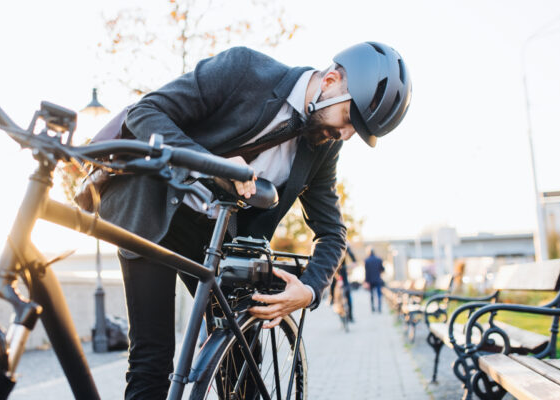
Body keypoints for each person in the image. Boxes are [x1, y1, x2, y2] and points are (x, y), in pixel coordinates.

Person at [97, 43, 412, 398]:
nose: (346, 135)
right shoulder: (244, 70)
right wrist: (211, 165)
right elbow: (145, 113)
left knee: (243, 364)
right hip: (154, 211)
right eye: (349, 119)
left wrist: (308, 291)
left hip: (222, 239)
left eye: (358, 131)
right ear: (331, 80)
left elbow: (332, 231)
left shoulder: (325, 146)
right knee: (151, 359)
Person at [330, 245, 356, 322]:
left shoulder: (338, 243)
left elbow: (353, 258)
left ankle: (332, 300)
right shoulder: (344, 243)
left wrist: (353, 264)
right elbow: (353, 258)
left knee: (344, 289)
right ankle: (332, 299)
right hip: (337, 270)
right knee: (337, 285)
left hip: (338, 269)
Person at [364, 246, 385, 313]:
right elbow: (382, 269)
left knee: (372, 294)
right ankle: (379, 308)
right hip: (378, 279)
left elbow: (366, 272)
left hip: (370, 280)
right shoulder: (379, 259)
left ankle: (373, 308)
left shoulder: (367, 260)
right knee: (379, 294)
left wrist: (366, 281)